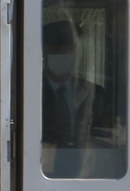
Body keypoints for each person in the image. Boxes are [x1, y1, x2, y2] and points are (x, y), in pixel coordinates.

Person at [40, 18, 120, 177]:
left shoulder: (95, 93)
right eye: (56, 50)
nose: (63, 55)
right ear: (44, 52)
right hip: (42, 179)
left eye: (69, 50)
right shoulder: (29, 93)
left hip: (87, 178)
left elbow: (108, 137)